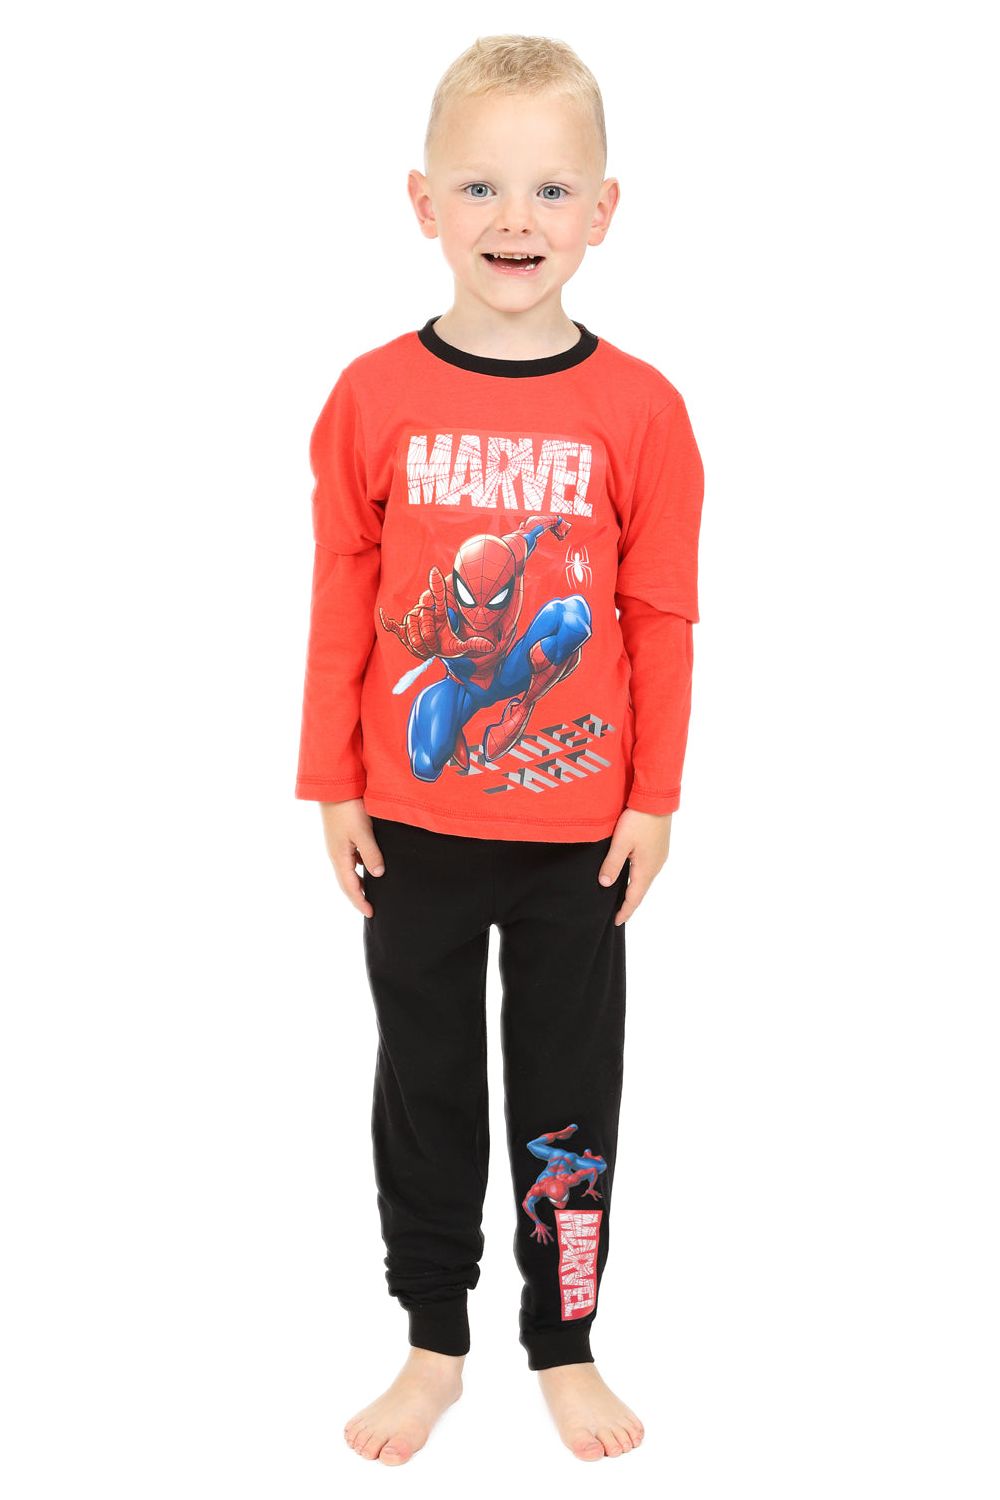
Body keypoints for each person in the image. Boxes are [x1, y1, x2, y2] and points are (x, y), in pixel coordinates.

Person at [294, 34, 705, 1466]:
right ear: (423, 203)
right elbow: (342, 591)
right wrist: (330, 780)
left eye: (550, 188)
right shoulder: (371, 396)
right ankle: (433, 1340)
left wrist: (656, 798)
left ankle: (566, 1339)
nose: (514, 219)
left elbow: (661, 615)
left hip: (578, 832)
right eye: (479, 186)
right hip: (410, 821)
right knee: (427, 1089)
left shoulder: (640, 410)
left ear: (604, 209)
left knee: (568, 1102)